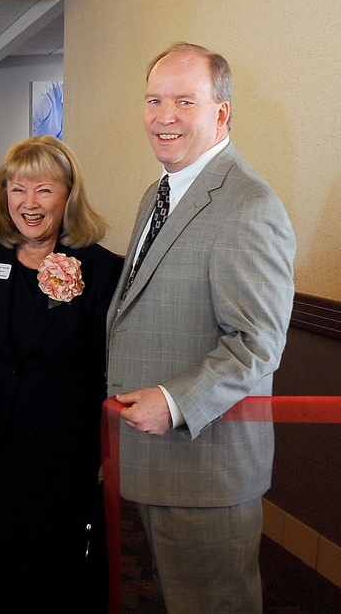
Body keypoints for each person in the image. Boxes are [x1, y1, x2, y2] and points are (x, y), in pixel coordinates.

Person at [107, 42, 296, 613]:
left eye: (185, 101)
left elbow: (258, 342)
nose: (164, 117)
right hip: (159, 462)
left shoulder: (247, 204)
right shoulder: (160, 192)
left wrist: (173, 400)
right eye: (154, 100)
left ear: (222, 113)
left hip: (205, 468)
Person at [0, 136, 120, 612]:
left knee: (55, 558)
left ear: (68, 195)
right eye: (17, 190)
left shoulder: (101, 269)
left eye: (44, 191)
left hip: (62, 443)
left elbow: (105, 365)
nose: (28, 204)